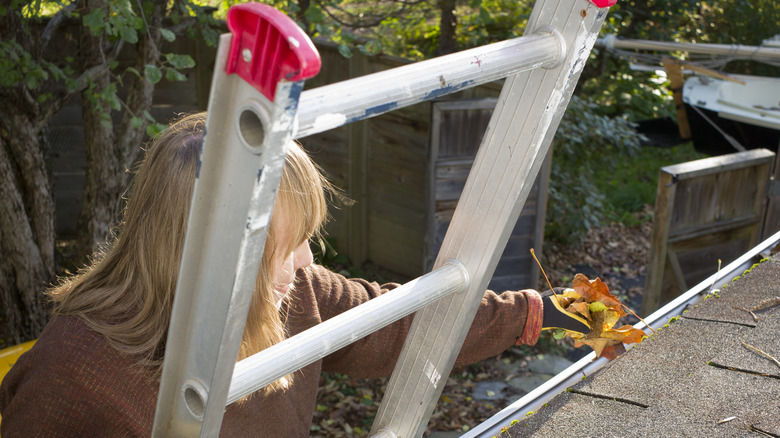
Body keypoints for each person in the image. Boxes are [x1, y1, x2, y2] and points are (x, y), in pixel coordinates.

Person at [0, 112, 588, 437]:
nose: (308, 261)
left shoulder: (292, 296)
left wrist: (541, 310)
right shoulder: (72, 382)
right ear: (211, 255)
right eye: (287, 244)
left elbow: (401, 319)